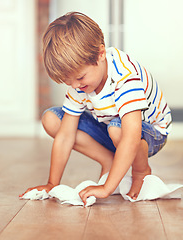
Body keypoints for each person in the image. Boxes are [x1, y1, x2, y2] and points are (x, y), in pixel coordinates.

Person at [19, 12, 172, 205]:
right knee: (52, 119)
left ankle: (141, 171)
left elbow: (131, 136)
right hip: (111, 128)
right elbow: (65, 135)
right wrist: (52, 184)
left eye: (80, 78)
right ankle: (109, 161)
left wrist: (107, 187)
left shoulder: (125, 77)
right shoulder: (80, 81)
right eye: (68, 81)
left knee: (118, 128)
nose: (75, 86)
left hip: (150, 134)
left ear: (100, 54)